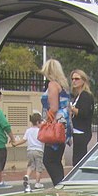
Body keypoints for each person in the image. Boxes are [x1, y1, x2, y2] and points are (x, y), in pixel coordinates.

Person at [40, 58, 70, 186]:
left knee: (49, 160)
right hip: (63, 124)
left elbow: (53, 108)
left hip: (55, 125)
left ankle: (59, 186)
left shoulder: (52, 85)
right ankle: (60, 185)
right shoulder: (63, 86)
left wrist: (45, 122)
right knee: (56, 159)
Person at [10, 112, 46, 189]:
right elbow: (44, 140)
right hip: (39, 150)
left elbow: (23, 140)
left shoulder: (28, 130)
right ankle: (37, 183)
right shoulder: (40, 130)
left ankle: (27, 176)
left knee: (30, 165)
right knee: (38, 168)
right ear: (38, 122)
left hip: (30, 150)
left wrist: (15, 144)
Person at [69, 69, 95, 165]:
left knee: (78, 160)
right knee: (77, 158)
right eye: (72, 79)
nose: (74, 81)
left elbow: (84, 113)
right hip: (77, 131)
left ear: (83, 80)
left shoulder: (85, 95)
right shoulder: (78, 96)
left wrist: (71, 108)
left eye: (77, 79)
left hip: (82, 131)